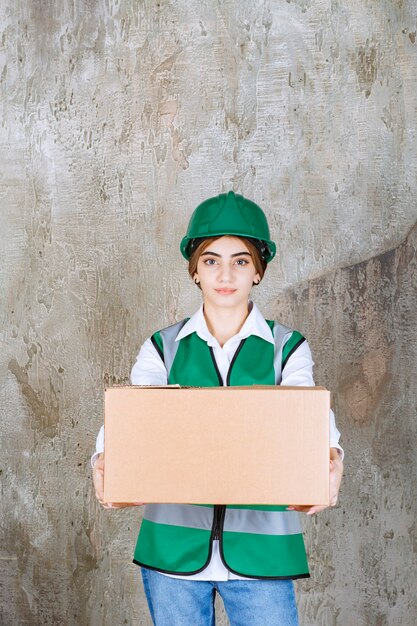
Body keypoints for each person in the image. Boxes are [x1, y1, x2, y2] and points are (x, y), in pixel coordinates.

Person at [92, 191, 344, 626]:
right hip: (173, 553)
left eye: (241, 260)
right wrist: (104, 460)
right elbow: (129, 426)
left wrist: (331, 458)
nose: (225, 274)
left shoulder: (289, 349)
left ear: (258, 271)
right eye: (211, 260)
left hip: (262, 553)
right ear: (194, 271)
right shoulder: (161, 349)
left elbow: (311, 427)